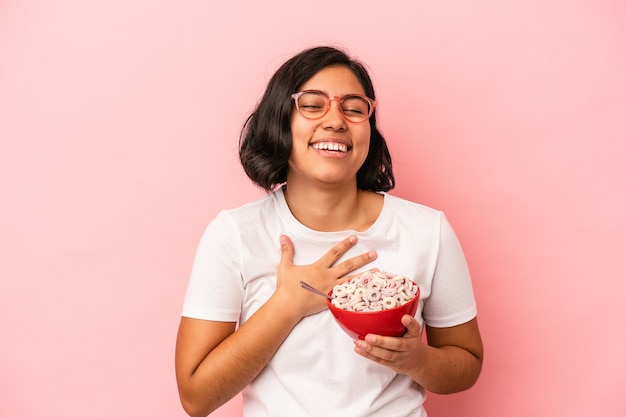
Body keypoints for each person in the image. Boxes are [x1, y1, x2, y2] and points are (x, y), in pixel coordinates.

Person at [175, 46, 483, 417]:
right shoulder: (235, 235)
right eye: (312, 104)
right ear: (280, 120)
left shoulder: (427, 231)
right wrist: (286, 305)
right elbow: (196, 397)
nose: (336, 120)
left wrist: (418, 360)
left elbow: (466, 363)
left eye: (354, 108)